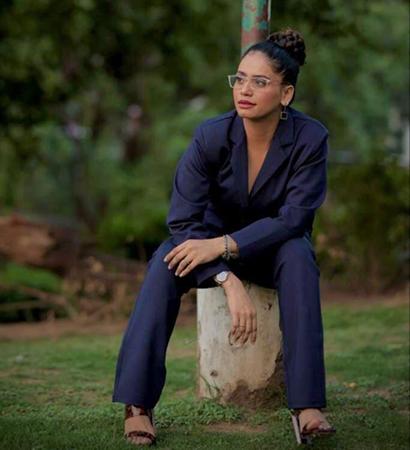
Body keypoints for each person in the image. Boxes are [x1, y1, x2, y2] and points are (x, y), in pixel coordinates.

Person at [112, 27, 336, 446]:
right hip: (207, 248)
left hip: (273, 248)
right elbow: (182, 220)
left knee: (300, 256)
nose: (244, 90)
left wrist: (227, 245)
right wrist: (225, 277)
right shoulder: (211, 135)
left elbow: (295, 218)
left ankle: (307, 406)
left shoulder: (310, 138)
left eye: (260, 82)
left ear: (286, 94)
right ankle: (137, 405)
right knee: (164, 263)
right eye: (240, 78)